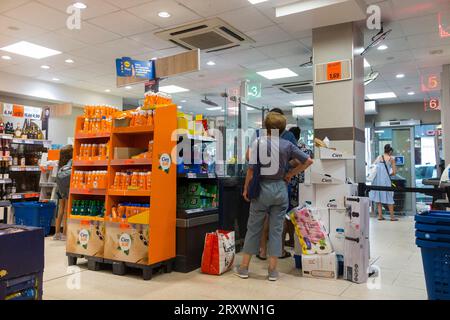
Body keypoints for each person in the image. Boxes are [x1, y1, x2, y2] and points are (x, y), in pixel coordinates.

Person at [236, 112, 313, 281]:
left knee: (253, 228)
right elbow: (308, 161)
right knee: (277, 231)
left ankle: (244, 268)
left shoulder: (258, 143)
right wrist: (291, 174)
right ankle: (272, 271)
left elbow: (251, 169)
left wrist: (246, 188)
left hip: (261, 189)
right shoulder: (287, 145)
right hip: (280, 189)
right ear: (284, 129)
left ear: (266, 127)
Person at [369, 144, 398, 221]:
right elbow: (394, 172)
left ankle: (380, 216)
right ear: (390, 151)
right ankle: (392, 217)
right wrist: (388, 173)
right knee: (389, 197)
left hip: (377, 180)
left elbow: (373, 166)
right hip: (385, 181)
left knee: (378, 197)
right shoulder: (391, 159)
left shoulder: (379, 157)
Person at [54, 145, 73, 241]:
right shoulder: (71, 162)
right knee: (66, 210)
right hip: (67, 187)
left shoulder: (59, 163)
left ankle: (57, 233)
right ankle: (65, 233)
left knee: (60, 209)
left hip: (59, 188)